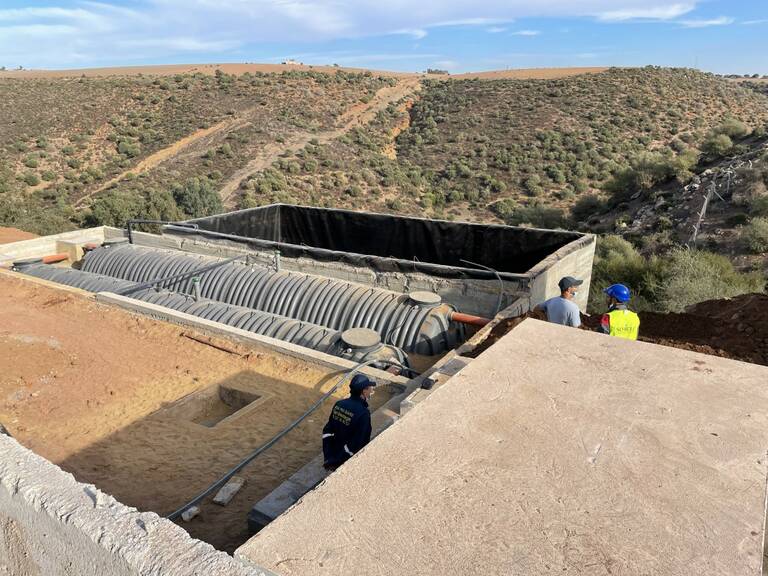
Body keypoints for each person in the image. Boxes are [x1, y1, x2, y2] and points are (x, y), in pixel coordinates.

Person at [322, 374, 376, 471]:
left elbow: (327, 432)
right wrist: (337, 461)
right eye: (370, 388)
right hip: (345, 461)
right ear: (363, 391)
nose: (372, 391)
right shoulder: (363, 413)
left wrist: (328, 457)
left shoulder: (339, 404)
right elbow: (359, 442)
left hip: (333, 457)